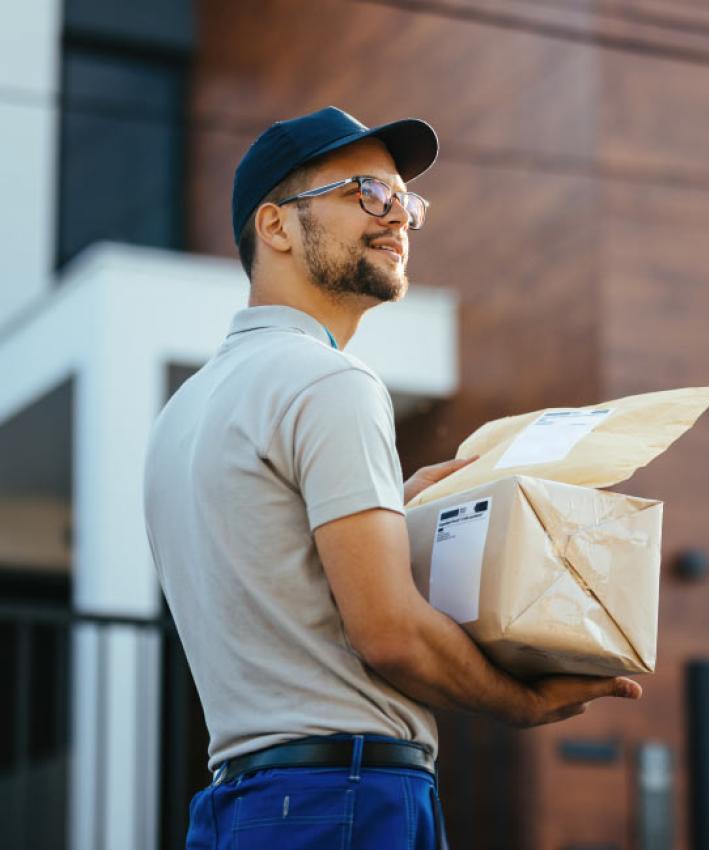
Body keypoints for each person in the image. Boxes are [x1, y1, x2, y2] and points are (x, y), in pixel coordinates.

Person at [143, 106, 642, 850]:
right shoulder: (329, 383)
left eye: (406, 202)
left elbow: (280, 578)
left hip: (241, 806)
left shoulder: (181, 414)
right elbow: (389, 635)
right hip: (345, 795)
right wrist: (522, 704)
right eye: (366, 194)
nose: (397, 218)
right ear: (276, 226)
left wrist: (395, 508)